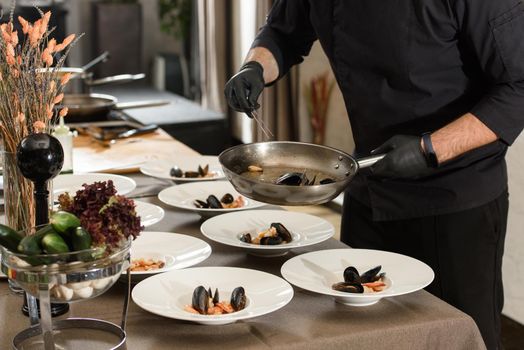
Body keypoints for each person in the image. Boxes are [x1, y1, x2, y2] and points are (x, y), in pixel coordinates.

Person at [223, 1, 524, 349]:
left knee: (456, 338)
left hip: (455, 200)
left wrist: (430, 148)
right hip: (371, 189)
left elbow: (519, 86)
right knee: (361, 335)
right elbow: (283, 31)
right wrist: (255, 67)